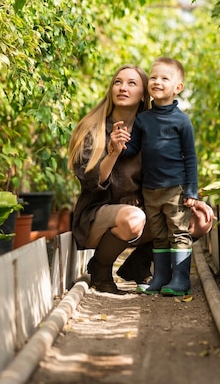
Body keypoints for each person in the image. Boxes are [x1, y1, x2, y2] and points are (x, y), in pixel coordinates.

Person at [114, 57, 199, 296]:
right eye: (153, 77)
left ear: (177, 88)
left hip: (176, 188)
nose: (157, 82)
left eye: (164, 78)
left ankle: (180, 280)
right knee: (159, 235)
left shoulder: (182, 121)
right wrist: (120, 144)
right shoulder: (143, 119)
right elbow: (133, 150)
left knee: (179, 232)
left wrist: (192, 190)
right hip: (150, 189)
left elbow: (190, 158)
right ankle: (160, 278)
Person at [68, 64, 154, 294]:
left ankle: (139, 264)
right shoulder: (92, 128)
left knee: (198, 218)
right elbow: (89, 182)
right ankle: (101, 267)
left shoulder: (152, 130)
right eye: (118, 82)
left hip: (142, 212)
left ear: (143, 94)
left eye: (131, 83)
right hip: (98, 215)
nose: (122, 88)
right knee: (133, 218)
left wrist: (190, 197)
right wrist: (113, 153)